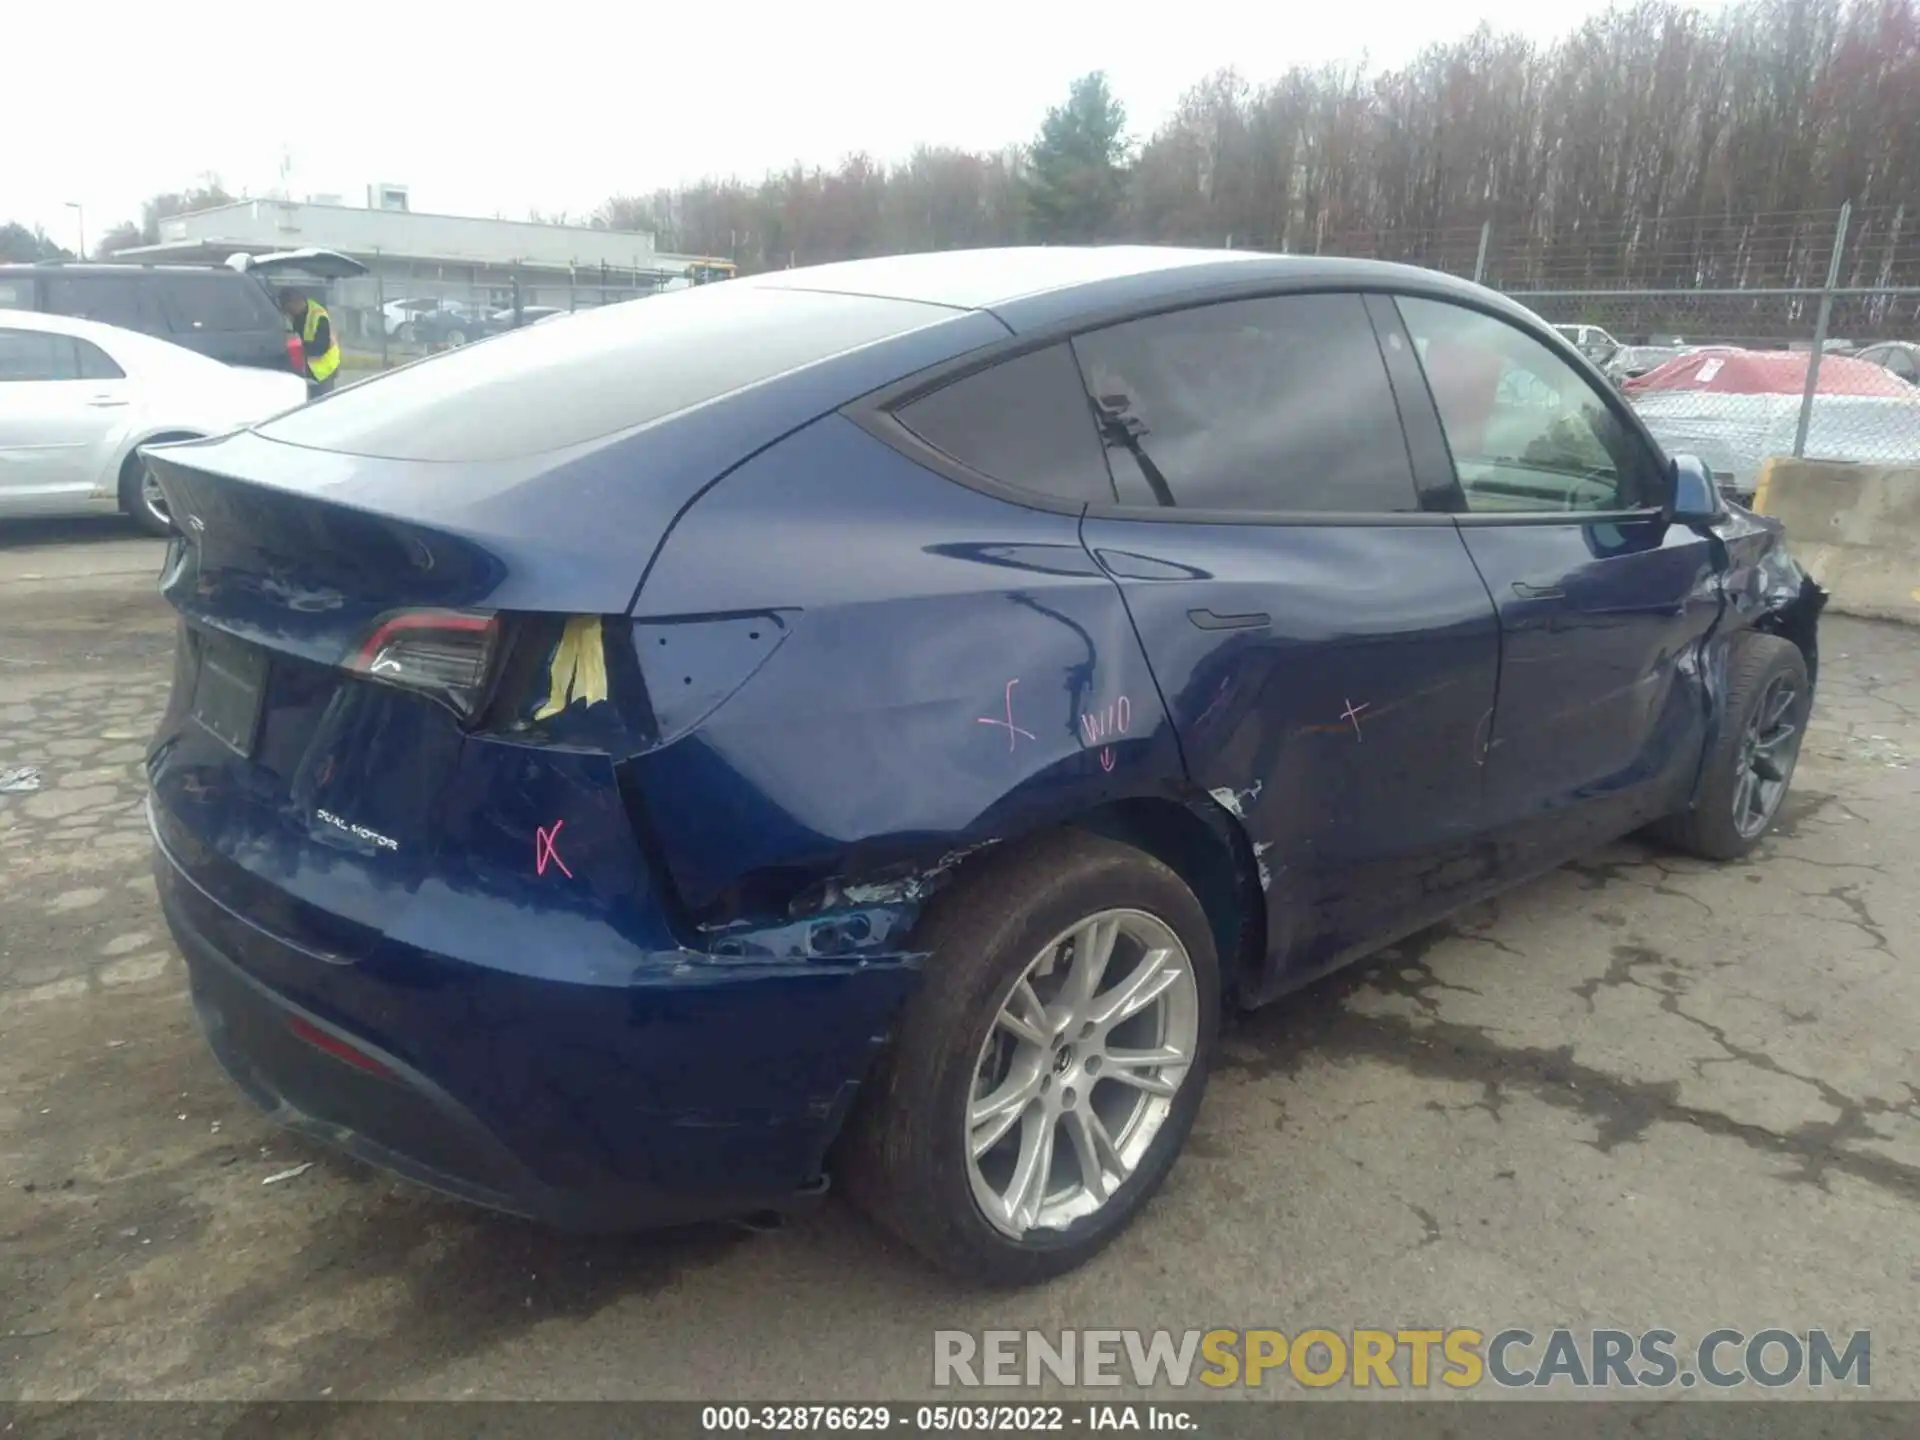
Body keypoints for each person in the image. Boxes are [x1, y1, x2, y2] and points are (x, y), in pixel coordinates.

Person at [278, 288, 341, 397]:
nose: (289, 313)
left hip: (323, 370)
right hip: (309, 369)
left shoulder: (319, 316)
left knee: (321, 404)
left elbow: (321, 347)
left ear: (296, 302)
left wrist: (299, 349)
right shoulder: (298, 315)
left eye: (289, 309)